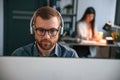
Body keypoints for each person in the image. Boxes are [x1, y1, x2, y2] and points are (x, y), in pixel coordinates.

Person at [11, 6, 78, 57]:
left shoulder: (70, 55)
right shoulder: (19, 55)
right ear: (33, 30)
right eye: (41, 30)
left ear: (60, 31)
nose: (46, 36)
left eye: (52, 31)